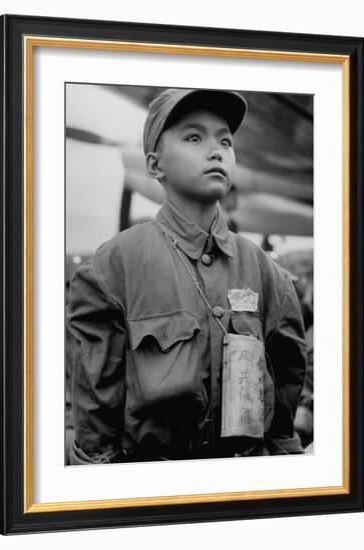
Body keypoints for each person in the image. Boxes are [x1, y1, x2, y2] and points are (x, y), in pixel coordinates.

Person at [66, 88, 307, 464]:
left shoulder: (268, 274)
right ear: (154, 164)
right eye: (194, 137)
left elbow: (282, 424)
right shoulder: (110, 270)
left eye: (225, 140)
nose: (216, 150)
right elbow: (96, 437)